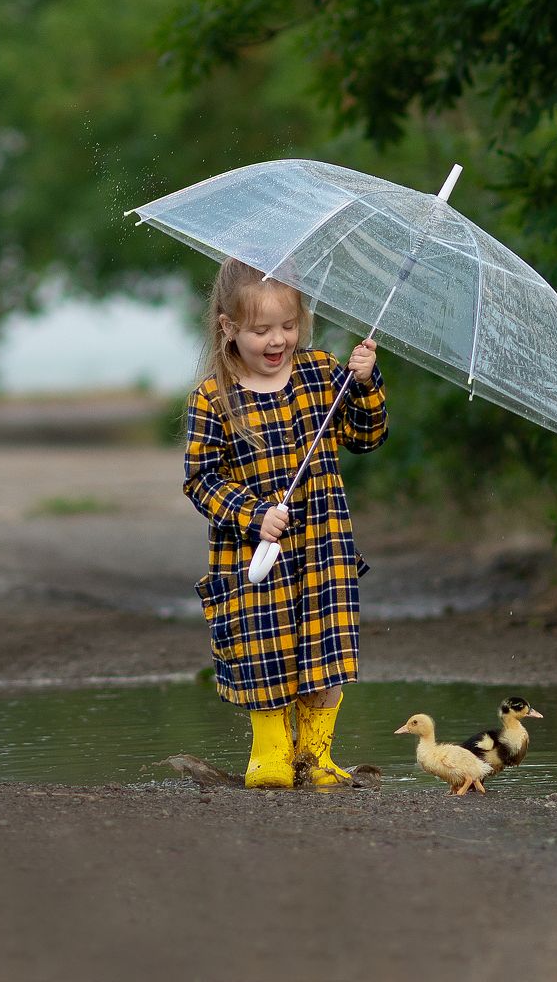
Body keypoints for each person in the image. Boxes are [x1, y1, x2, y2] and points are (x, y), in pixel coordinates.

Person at [183, 257, 388, 788]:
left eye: (288, 326)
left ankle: (315, 756)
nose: (278, 340)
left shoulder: (322, 375)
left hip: (323, 547)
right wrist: (252, 514)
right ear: (229, 328)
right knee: (263, 653)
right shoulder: (213, 398)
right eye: (261, 330)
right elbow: (200, 481)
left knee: (327, 650)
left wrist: (364, 383)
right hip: (257, 557)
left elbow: (367, 437)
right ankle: (271, 753)